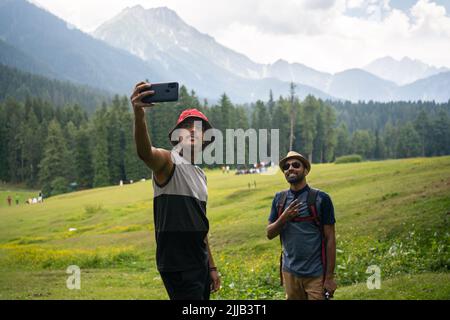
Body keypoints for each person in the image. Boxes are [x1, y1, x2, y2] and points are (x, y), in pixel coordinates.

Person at [130, 81, 220, 300]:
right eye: (186, 126)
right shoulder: (167, 161)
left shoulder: (201, 175)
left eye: (198, 128)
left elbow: (201, 225)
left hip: (199, 262)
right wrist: (139, 114)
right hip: (178, 265)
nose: (192, 130)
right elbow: (145, 153)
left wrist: (211, 266)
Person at [267, 151, 337, 300]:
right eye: (286, 166)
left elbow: (330, 238)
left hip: (316, 274)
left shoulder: (321, 199)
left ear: (305, 170)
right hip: (289, 273)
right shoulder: (279, 199)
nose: (290, 168)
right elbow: (269, 233)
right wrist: (284, 218)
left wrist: (329, 278)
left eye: (296, 165)